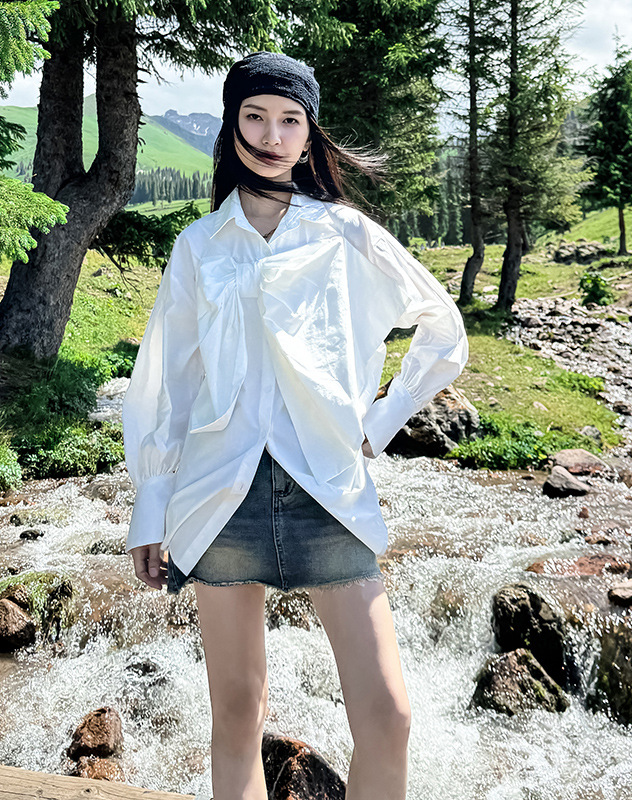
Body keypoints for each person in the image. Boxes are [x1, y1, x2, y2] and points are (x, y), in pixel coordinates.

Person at [122, 51, 468, 800]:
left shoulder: (346, 235)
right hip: (221, 495)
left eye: (289, 121)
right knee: (236, 716)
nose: (272, 136)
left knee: (389, 717)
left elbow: (444, 328)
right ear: (231, 126)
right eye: (255, 117)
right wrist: (150, 505)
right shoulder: (199, 246)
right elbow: (166, 385)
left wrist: (381, 422)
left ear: (310, 136)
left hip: (328, 489)